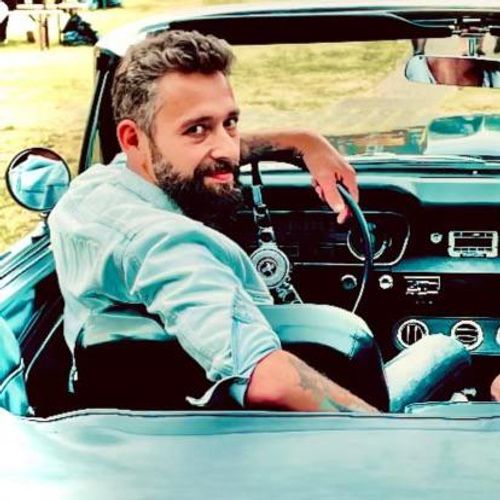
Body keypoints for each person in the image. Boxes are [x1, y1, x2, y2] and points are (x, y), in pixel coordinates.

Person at [47, 30, 388, 413]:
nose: (227, 149)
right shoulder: (167, 246)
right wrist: (383, 433)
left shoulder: (89, 194)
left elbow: (187, 149)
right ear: (132, 139)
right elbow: (268, 381)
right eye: (197, 129)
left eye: (230, 123)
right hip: (258, 430)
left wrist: (302, 141)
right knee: (437, 352)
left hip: (125, 423)